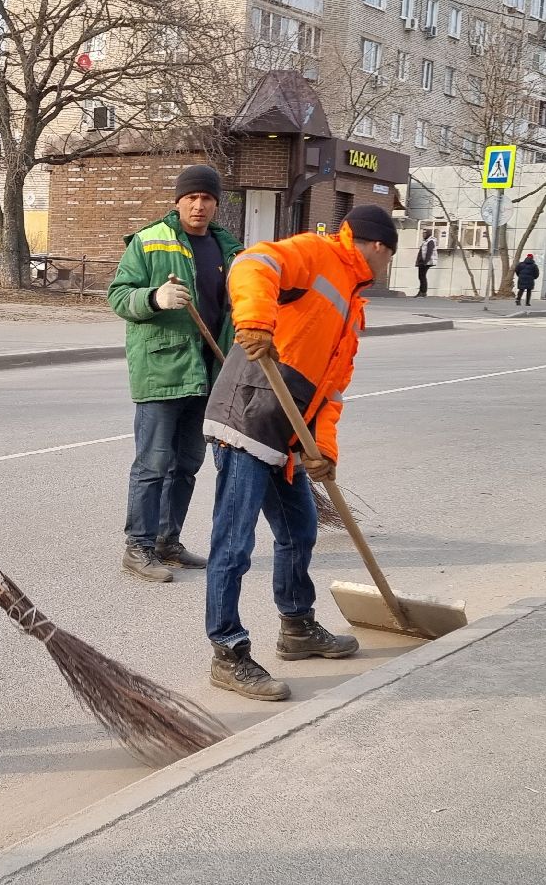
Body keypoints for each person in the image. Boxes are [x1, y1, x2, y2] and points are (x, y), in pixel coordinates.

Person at [200, 205, 393, 700]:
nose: (388, 265)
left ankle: (297, 626)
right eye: (390, 256)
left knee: (299, 532)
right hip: (247, 415)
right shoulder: (318, 253)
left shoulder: (352, 305)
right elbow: (253, 263)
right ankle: (228, 652)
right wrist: (255, 320)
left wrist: (322, 449)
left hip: (286, 434)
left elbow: (330, 391)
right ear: (378, 246)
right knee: (233, 544)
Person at [107, 165, 243, 583]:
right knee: (153, 464)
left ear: (216, 203)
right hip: (162, 369)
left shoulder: (229, 249)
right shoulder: (150, 241)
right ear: (179, 201)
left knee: (186, 463)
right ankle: (138, 547)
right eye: (191, 198)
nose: (199, 205)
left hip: (209, 372)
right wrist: (154, 297)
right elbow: (118, 296)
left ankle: (168, 542)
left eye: (207, 198)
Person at [414, 231, 437, 297]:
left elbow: (429, 252)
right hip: (422, 261)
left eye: (424, 234)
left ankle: (423, 292)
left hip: (425, 262)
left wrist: (425, 262)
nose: (423, 235)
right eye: (423, 234)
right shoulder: (426, 241)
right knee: (421, 276)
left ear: (428, 234)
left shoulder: (430, 241)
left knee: (422, 276)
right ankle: (422, 291)